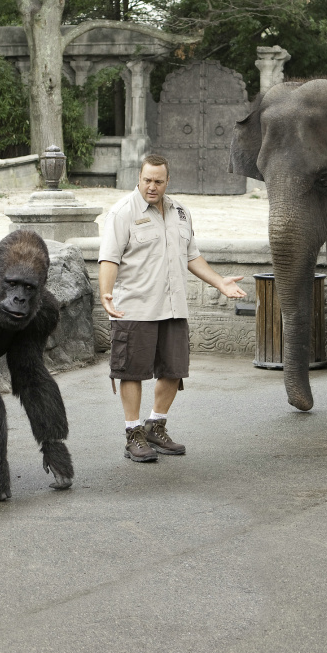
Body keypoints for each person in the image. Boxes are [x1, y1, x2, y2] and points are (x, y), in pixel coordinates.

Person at [98, 153, 247, 462]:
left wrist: (220, 282)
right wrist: (106, 294)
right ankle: (133, 434)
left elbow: (192, 256)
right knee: (132, 372)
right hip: (135, 307)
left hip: (173, 307)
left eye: (158, 181)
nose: (152, 187)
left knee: (174, 370)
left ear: (167, 181)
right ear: (138, 178)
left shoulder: (180, 212)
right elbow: (109, 258)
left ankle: (155, 425)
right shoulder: (122, 212)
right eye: (147, 180)